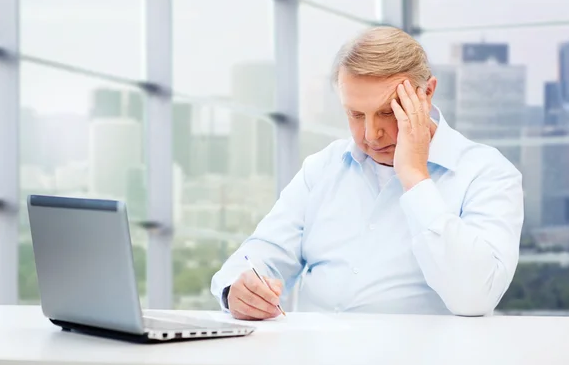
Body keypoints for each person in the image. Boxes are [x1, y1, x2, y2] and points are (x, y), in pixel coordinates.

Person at [211, 26, 524, 319]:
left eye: (388, 112)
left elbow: (474, 299)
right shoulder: (323, 167)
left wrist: (415, 177)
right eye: (356, 114)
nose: (371, 134)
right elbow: (263, 253)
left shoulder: (487, 174)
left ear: (427, 94)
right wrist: (237, 291)